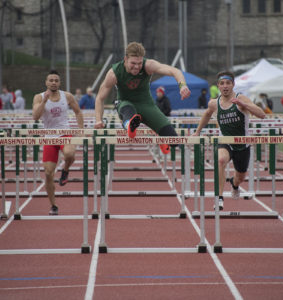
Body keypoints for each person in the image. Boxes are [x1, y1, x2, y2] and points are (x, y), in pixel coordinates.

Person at [94, 42, 191, 154]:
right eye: (133, 63)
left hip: (146, 104)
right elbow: (100, 98)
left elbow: (174, 71)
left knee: (174, 141)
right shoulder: (114, 73)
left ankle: (158, 135)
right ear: (125, 59)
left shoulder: (148, 65)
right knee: (128, 111)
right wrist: (98, 120)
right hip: (125, 102)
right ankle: (130, 125)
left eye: (139, 63)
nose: (136, 67)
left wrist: (182, 85)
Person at [193, 71, 265, 210]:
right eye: (222, 83)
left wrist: (243, 104)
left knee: (240, 177)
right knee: (220, 160)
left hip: (242, 144)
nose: (225, 86)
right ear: (218, 86)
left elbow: (261, 115)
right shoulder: (214, 103)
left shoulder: (241, 98)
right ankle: (219, 197)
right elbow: (207, 114)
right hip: (225, 141)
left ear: (233, 84)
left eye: (228, 83)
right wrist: (197, 132)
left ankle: (234, 184)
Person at [32, 70, 84, 215]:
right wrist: (44, 101)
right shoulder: (39, 97)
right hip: (49, 137)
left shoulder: (67, 96)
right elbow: (35, 117)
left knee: (69, 154)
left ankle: (66, 169)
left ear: (59, 83)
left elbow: (78, 112)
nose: (53, 82)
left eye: (56, 80)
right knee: (48, 173)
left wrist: (81, 129)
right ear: (46, 82)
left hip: (64, 133)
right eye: (51, 80)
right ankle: (53, 205)